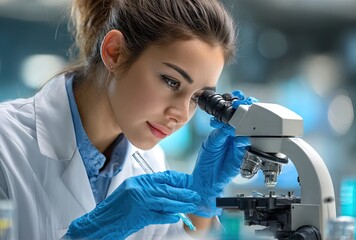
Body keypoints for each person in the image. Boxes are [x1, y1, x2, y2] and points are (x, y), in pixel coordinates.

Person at [0, 0, 255, 239]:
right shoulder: (6, 146)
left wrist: (201, 198)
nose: (181, 115)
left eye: (198, 98)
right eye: (171, 81)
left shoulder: (149, 163)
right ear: (115, 52)